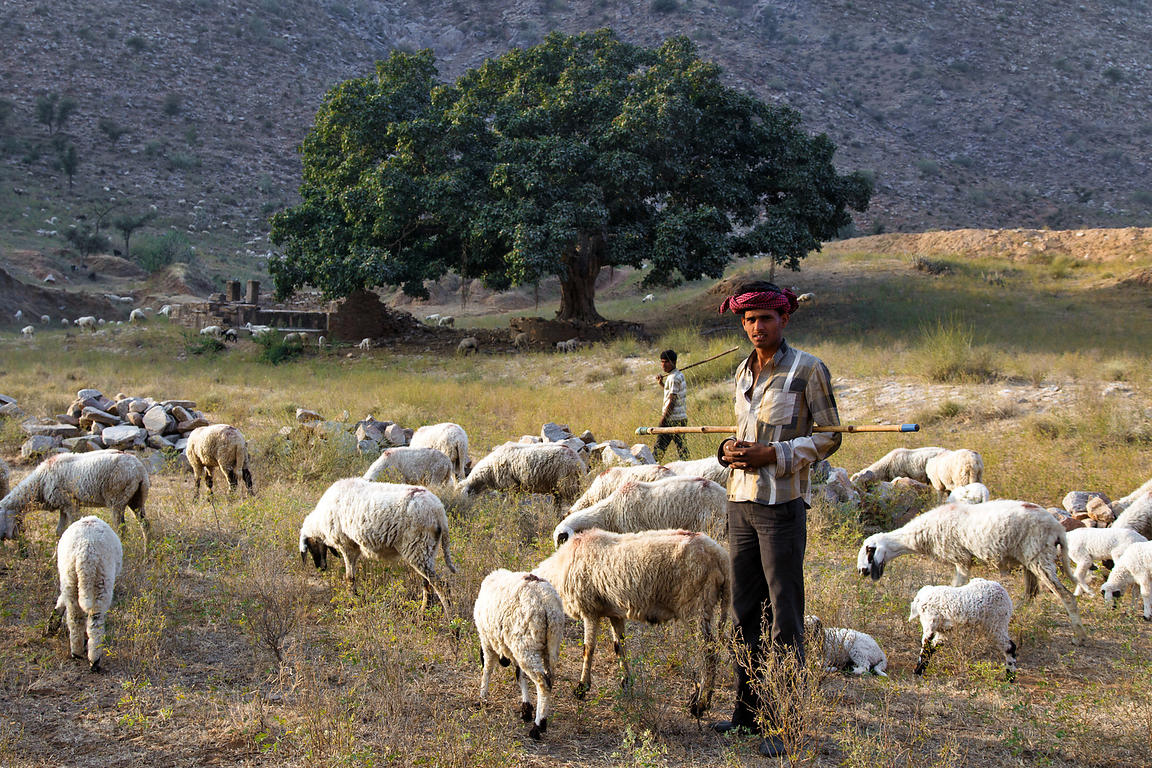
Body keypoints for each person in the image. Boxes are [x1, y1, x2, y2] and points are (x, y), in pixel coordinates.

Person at [709, 281, 842, 758]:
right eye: (749, 320)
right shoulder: (742, 372)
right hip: (740, 504)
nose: (757, 327)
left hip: (782, 507)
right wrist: (727, 451)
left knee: (784, 616)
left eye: (766, 318)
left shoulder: (808, 369)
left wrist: (777, 454)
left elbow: (829, 437)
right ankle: (747, 714)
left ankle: (788, 721)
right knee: (744, 612)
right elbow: (739, 434)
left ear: (784, 320)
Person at [653, 349, 690, 461]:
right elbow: (673, 393)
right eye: (662, 362)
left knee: (659, 449)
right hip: (681, 418)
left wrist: (663, 419)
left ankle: (652, 468)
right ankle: (688, 469)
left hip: (672, 419)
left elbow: (672, 400)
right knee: (682, 449)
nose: (663, 365)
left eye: (666, 362)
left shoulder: (673, 377)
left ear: (673, 362)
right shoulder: (678, 375)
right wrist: (662, 384)